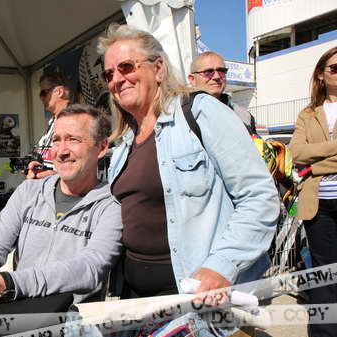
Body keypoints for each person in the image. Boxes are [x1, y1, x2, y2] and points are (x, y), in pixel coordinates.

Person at [99, 24, 278, 298]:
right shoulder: (124, 142)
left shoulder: (201, 112)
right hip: (136, 297)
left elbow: (259, 197)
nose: (117, 80)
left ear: (158, 69)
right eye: (109, 74)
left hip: (199, 296)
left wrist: (222, 266)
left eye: (126, 67)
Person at [0, 104, 123, 313]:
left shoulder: (112, 204)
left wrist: (4, 284)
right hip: (21, 311)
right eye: (56, 140)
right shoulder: (29, 191)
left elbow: (90, 268)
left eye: (73, 139)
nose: (62, 151)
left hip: (72, 321)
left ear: (101, 148)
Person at [289, 46, 337, 337]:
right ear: (321, 74)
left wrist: (315, 163)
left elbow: (308, 157)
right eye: (335, 68)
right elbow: (296, 153)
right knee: (322, 272)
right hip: (317, 202)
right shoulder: (308, 114)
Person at [188, 51, 257, 135]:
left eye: (221, 71)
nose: (216, 77)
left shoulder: (244, 116)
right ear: (192, 79)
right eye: (208, 72)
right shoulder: (181, 114)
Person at [26, 70, 73, 179]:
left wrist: (53, 175)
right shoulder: (53, 121)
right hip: (47, 185)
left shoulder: (74, 120)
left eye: (44, 93)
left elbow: (80, 165)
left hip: (63, 186)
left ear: (59, 91)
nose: (41, 98)